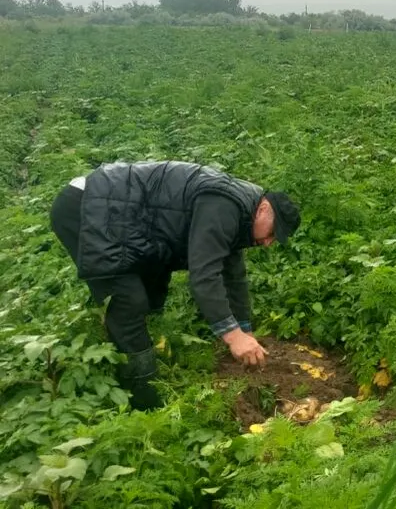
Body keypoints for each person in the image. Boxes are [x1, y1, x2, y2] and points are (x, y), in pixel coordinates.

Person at [48, 160, 301, 410]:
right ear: (264, 209)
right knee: (128, 301)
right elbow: (204, 276)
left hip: (125, 220)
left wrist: (244, 330)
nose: (269, 243)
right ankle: (143, 399)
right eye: (271, 234)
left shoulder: (240, 213)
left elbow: (233, 277)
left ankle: (143, 356)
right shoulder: (224, 205)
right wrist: (232, 337)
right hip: (88, 206)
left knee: (152, 295)